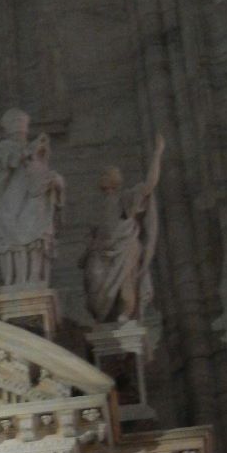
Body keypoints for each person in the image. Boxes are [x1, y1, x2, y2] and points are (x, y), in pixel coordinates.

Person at [81, 132, 165, 324]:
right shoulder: (97, 206)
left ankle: (125, 314)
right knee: (94, 278)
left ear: (114, 180)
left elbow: (149, 185)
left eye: (105, 175)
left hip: (123, 249)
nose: (101, 178)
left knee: (125, 288)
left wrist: (157, 154)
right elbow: (92, 233)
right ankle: (102, 315)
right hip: (100, 251)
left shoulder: (125, 198)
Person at [0, 109, 64, 287]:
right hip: (9, 204)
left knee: (37, 239)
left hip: (33, 204)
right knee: (9, 243)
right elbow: (4, 163)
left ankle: (34, 278)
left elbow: (40, 175)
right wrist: (27, 152)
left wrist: (55, 181)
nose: (20, 132)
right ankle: (14, 280)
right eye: (16, 126)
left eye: (22, 127)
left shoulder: (35, 149)